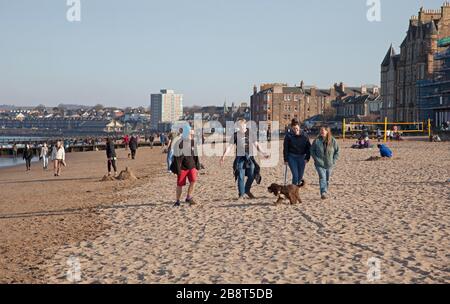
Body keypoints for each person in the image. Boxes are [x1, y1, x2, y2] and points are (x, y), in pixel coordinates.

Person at [221, 119, 270, 201]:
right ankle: (241, 194)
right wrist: (224, 156)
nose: (241, 128)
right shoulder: (235, 135)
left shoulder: (250, 133)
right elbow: (229, 146)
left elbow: (256, 145)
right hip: (240, 158)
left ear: (245, 125)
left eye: (242, 126)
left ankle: (247, 190)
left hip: (250, 158)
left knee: (252, 175)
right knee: (240, 176)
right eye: (239, 126)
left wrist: (264, 153)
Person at [170, 127, 201, 207]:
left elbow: (196, 155)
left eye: (192, 134)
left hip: (192, 166)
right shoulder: (179, 143)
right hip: (182, 167)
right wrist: (177, 170)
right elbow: (176, 158)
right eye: (190, 133)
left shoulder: (193, 142)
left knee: (193, 180)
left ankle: (189, 197)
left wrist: (197, 166)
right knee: (180, 184)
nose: (192, 135)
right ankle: (177, 201)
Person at [311, 126, 340, 200]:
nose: (322, 132)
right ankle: (323, 192)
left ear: (327, 131)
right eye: (321, 130)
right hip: (319, 164)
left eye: (323, 130)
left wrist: (333, 161)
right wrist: (316, 159)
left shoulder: (333, 140)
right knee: (322, 177)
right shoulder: (316, 141)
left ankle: (325, 191)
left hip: (329, 164)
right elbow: (312, 151)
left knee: (327, 179)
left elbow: (337, 152)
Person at [283, 121, 311, 186]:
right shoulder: (288, 136)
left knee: (300, 177)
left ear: (299, 127)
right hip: (292, 157)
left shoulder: (304, 135)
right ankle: (292, 191)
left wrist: (307, 157)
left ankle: (296, 189)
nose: (295, 130)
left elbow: (308, 147)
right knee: (295, 175)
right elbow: (285, 148)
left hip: (302, 157)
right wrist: (286, 159)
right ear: (291, 128)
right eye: (293, 129)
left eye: (296, 128)